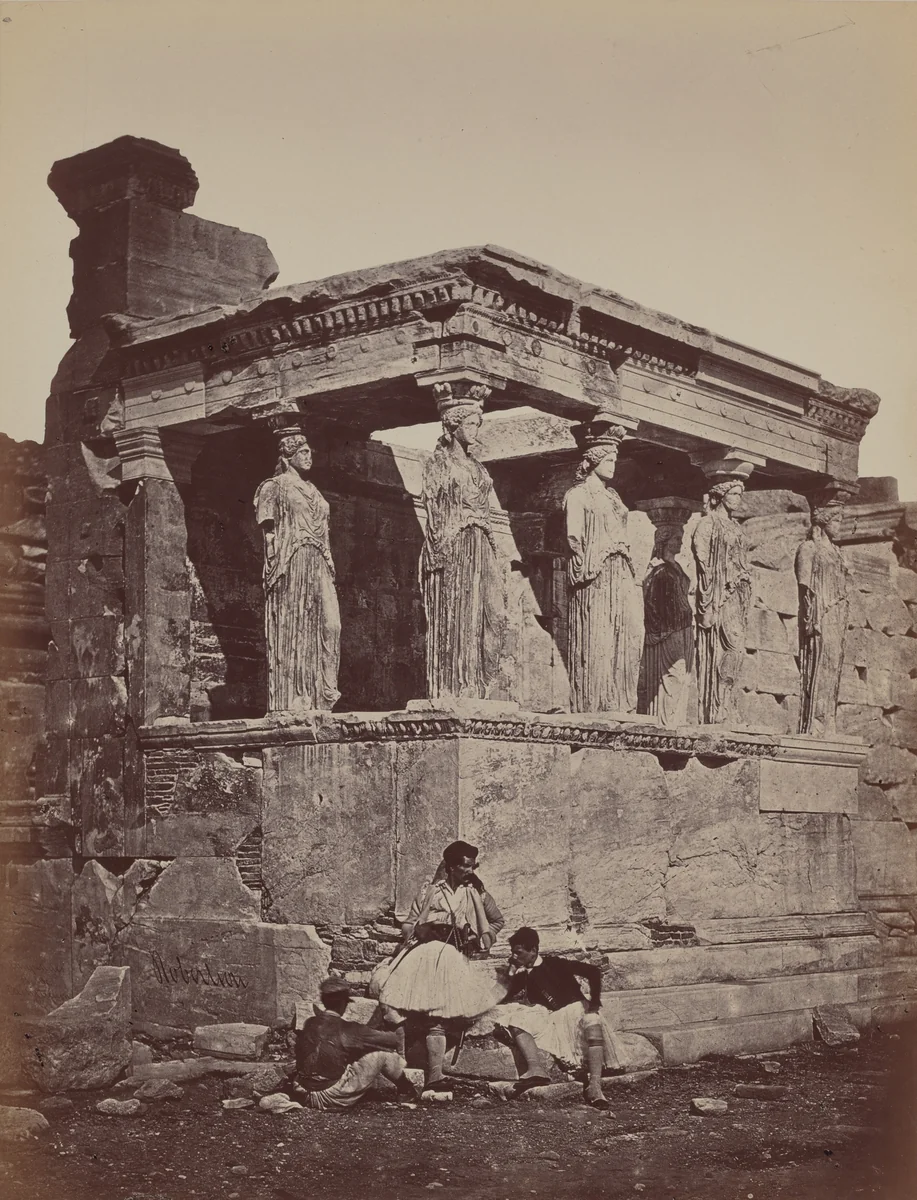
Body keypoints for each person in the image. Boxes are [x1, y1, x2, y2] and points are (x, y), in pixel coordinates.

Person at [376, 840, 504, 1093]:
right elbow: (409, 923)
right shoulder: (429, 892)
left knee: (438, 1014)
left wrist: (477, 939)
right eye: (466, 866)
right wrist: (419, 929)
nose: (470, 871)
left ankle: (435, 1076)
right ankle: (400, 1062)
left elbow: (496, 921)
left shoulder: (477, 894)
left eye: (473, 866)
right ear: (451, 866)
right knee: (391, 1003)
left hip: (451, 955)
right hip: (422, 952)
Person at [254, 429, 341, 713]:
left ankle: (323, 693)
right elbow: (268, 535)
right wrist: (275, 569)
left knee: (331, 626)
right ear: (289, 456)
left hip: (319, 561)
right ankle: (295, 697)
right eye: (303, 452)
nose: (309, 455)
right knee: (296, 629)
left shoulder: (314, 490)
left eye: (310, 451)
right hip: (291, 563)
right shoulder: (273, 487)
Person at [492, 926, 621, 1109]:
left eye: (518, 952)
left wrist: (594, 1002)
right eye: (512, 952)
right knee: (516, 1021)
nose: (514, 956)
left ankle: (595, 1087)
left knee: (593, 1023)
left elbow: (592, 972)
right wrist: (511, 972)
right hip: (555, 1019)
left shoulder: (555, 963)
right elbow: (504, 995)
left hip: (577, 1011)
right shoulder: (524, 976)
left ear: (533, 950)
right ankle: (536, 1070)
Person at [290, 978, 419, 1111]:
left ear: (323, 1002)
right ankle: (406, 1090)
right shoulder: (349, 1029)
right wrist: (374, 1025)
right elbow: (393, 1040)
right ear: (343, 1003)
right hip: (331, 1096)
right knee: (381, 1054)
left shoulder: (310, 1023)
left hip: (303, 1092)